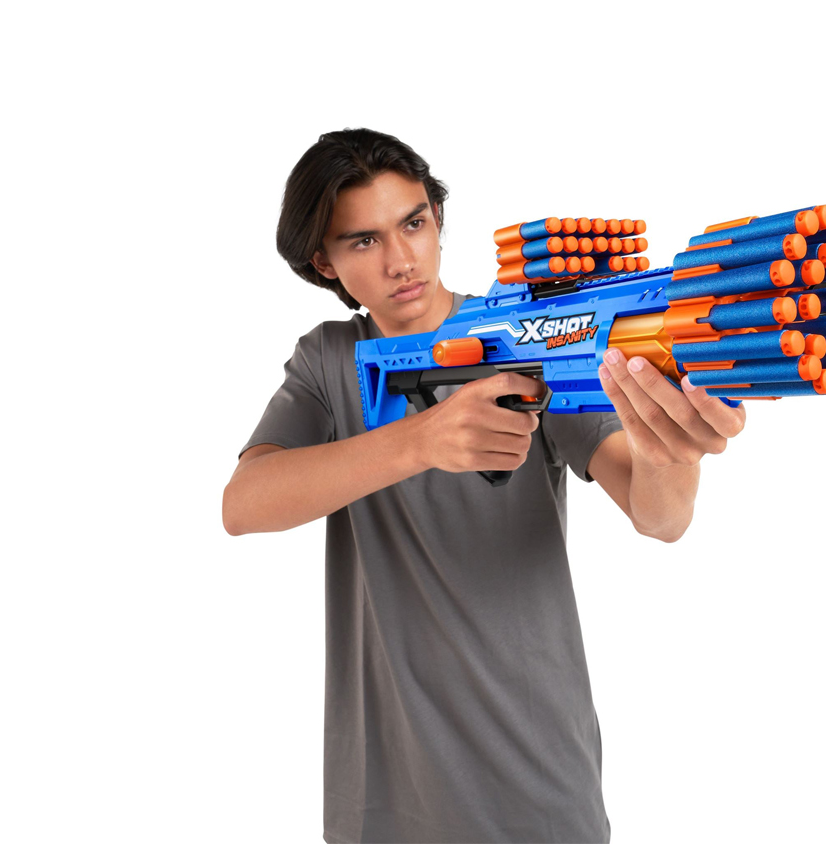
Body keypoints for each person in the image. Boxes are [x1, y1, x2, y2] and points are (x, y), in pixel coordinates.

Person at [222, 128, 746, 843]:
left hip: (533, 778)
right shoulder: (330, 361)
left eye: (414, 223)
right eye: (364, 240)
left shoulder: (532, 337)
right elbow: (243, 504)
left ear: (438, 219)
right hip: (380, 794)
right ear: (325, 262)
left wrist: (669, 449)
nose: (402, 260)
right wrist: (421, 441)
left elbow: (662, 517)